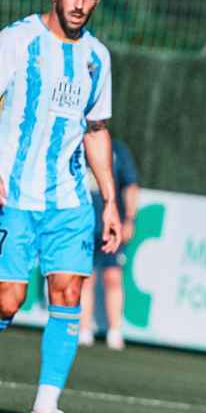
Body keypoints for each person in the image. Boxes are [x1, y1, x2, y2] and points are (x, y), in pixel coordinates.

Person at [0, 0, 120, 413]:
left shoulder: (97, 58)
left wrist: (109, 200)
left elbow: (97, 130)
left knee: (68, 291)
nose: (80, 4)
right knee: (8, 301)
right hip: (16, 196)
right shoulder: (17, 40)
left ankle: (45, 407)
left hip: (69, 199)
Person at [79, 137, 138, 349]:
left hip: (111, 226)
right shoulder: (76, 146)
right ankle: (84, 329)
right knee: (85, 279)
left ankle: (115, 331)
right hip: (83, 224)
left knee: (113, 276)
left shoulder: (118, 151)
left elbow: (130, 186)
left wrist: (130, 218)